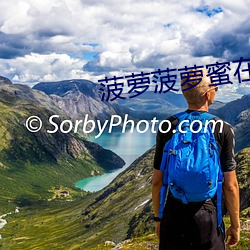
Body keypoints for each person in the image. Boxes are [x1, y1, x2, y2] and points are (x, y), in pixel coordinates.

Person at [152, 69, 240, 250]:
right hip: (207, 215)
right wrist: (235, 226)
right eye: (215, 87)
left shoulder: (168, 125)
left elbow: (157, 181)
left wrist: (158, 218)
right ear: (208, 94)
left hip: (174, 212)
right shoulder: (223, 129)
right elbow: (230, 185)